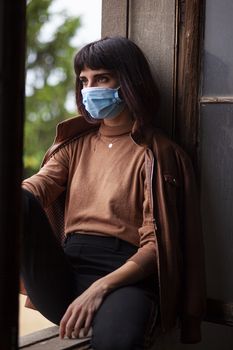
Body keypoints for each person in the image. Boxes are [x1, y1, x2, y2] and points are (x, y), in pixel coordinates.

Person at [21, 36, 206, 350]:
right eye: (84, 81)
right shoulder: (73, 145)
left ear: (128, 81)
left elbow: (156, 246)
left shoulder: (159, 155)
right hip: (64, 275)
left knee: (119, 341)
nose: (89, 89)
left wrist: (99, 289)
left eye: (101, 78)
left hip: (127, 279)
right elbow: (34, 190)